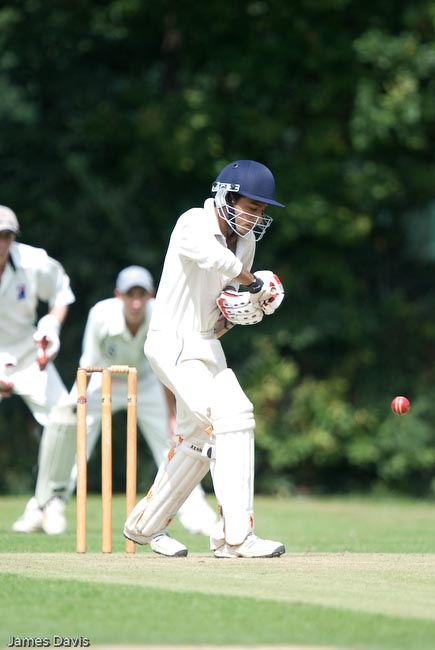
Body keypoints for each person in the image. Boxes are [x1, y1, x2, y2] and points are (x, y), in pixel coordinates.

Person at [124, 160, 286, 558]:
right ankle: (236, 538)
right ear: (227, 197)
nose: (256, 217)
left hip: (206, 342)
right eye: (252, 207)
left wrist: (248, 308)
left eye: (262, 211)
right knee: (233, 415)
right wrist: (255, 283)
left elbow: (221, 305)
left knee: (198, 437)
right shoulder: (192, 222)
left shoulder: (246, 242)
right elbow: (219, 262)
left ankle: (144, 526)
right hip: (172, 342)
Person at [13, 265, 218, 539]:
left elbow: (166, 366)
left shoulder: (162, 313)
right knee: (74, 441)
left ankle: (198, 516)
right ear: (118, 295)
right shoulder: (101, 314)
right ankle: (45, 507)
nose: (136, 302)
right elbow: (88, 362)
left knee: (174, 443)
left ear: (150, 295)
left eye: (141, 295)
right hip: (101, 377)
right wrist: (78, 406)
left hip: (146, 380)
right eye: (130, 295)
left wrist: (172, 415)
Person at [0, 205, 76, 533]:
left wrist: (51, 328)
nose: (0, 244)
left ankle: (47, 503)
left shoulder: (34, 261)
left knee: (67, 419)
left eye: (5, 236)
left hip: (29, 353)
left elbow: (61, 293)